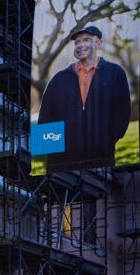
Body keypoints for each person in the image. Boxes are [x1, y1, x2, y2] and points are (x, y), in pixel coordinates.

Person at [37, 24, 132, 169]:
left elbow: (122, 111)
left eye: (86, 40)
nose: (80, 45)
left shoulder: (115, 73)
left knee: (100, 190)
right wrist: (54, 154)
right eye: (77, 42)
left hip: (100, 157)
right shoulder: (58, 79)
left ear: (98, 43)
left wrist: (107, 140)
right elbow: (45, 117)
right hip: (62, 162)